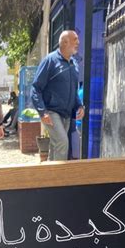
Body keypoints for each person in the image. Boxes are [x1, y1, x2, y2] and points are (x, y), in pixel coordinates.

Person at [31, 30, 84, 161]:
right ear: (65, 42)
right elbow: (36, 88)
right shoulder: (50, 61)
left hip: (65, 114)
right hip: (51, 112)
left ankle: (49, 179)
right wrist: (42, 112)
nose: (78, 42)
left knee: (56, 147)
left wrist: (79, 106)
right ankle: (61, 179)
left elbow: (73, 90)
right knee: (62, 143)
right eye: (75, 39)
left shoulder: (73, 64)